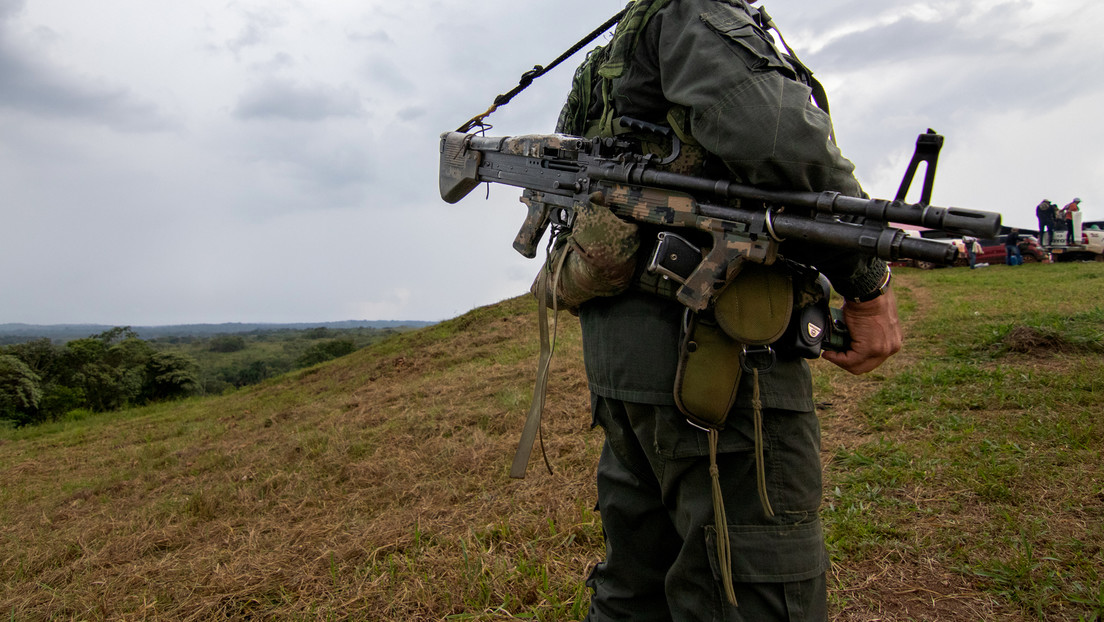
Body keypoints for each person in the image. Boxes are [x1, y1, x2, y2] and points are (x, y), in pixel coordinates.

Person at [543, 1, 902, 619]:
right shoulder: (695, 12)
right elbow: (782, 144)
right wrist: (867, 283)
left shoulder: (625, 39)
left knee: (637, 587)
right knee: (754, 588)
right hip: (715, 356)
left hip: (627, 362)